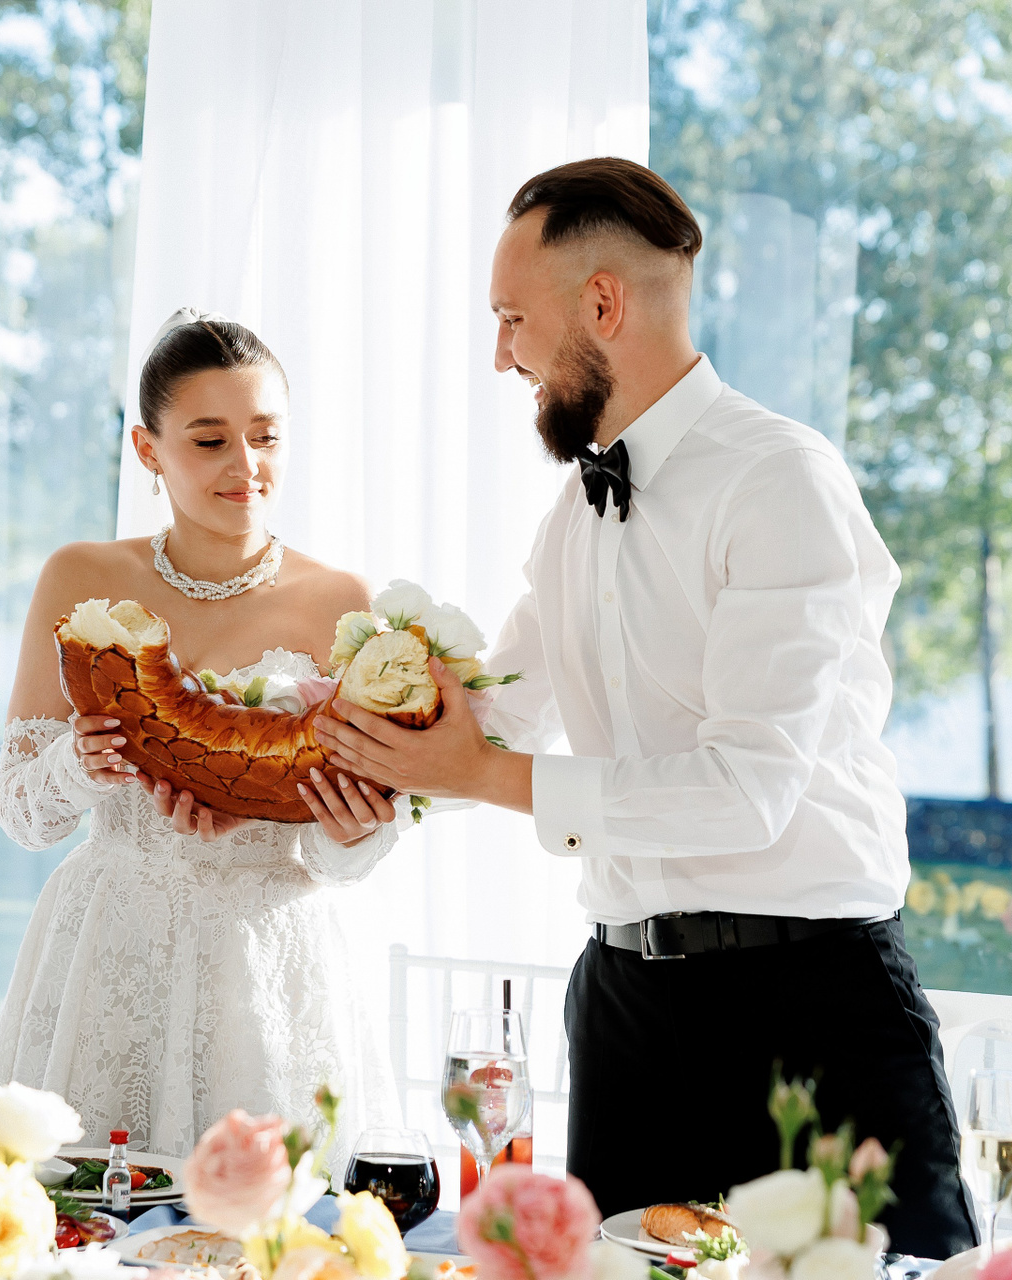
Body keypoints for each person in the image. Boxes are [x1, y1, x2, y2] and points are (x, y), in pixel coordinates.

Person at [312, 159, 976, 1258]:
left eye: (512, 320)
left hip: (811, 1006)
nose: (502, 356)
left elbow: (746, 792)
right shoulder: (570, 518)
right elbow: (492, 723)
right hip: (623, 1008)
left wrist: (479, 772)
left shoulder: (780, 481)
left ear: (603, 304)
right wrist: (352, 769)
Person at [0, 308, 401, 1157]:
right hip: (109, 947)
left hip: (269, 960)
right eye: (210, 441)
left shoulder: (342, 601)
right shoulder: (80, 577)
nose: (246, 466)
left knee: (269, 1215)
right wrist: (84, 763)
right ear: (148, 449)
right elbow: (23, 814)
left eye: (266, 436)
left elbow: (348, 853)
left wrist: (340, 826)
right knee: (78, 1209)